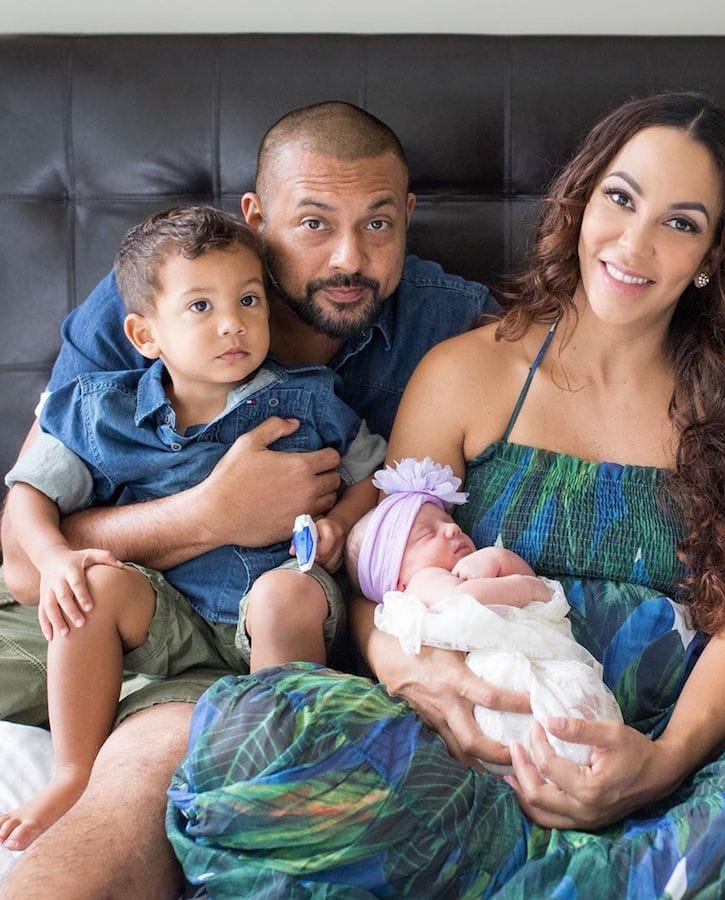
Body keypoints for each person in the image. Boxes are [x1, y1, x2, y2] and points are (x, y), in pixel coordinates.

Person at [165, 93, 725, 896]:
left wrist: (662, 763)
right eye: (621, 199)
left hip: (690, 782)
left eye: (681, 223)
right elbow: (380, 575)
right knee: (249, 726)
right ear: (583, 203)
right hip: (467, 771)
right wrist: (418, 682)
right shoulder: (466, 372)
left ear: (714, 255)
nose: (635, 242)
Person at [0, 102, 496, 897]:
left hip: (274, 626)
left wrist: (339, 530)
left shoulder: (449, 323)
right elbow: (26, 562)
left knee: (169, 754)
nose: (349, 259)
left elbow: (572, 366)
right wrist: (212, 514)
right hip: (134, 621)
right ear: (257, 220)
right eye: (312, 224)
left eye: (378, 225)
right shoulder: (157, 288)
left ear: (408, 217)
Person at [0, 204, 386, 850]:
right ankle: (73, 771)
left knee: (281, 593)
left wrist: (341, 523)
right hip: (168, 614)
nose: (233, 324)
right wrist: (58, 557)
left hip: (277, 606)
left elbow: (379, 471)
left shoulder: (308, 399)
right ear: (145, 335)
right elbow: (29, 497)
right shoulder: (103, 411)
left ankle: (278, 772)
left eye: (249, 300)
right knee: (92, 585)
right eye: (201, 308)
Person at [345, 456, 623, 774]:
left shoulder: (462, 569)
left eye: (451, 524)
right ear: (396, 579)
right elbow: (466, 604)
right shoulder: (419, 584)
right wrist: (519, 583)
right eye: (426, 535)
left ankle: (575, 758)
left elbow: (540, 597)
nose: (451, 530)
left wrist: (501, 559)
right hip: (496, 689)